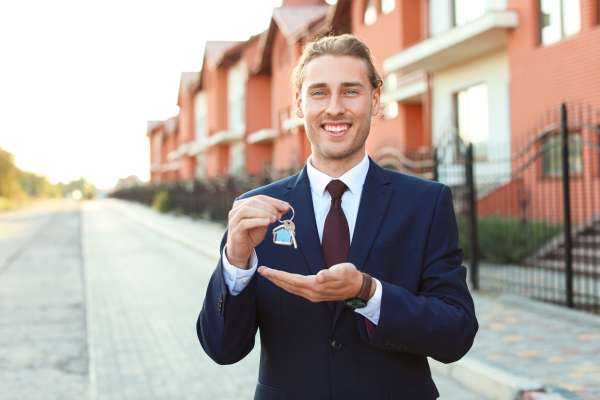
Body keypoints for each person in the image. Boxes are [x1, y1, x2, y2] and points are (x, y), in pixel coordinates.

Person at [197, 34, 478, 400]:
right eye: (319, 92)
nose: (334, 108)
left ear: (375, 100)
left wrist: (369, 293)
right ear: (299, 103)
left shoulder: (425, 203)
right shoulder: (254, 211)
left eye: (350, 91)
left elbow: (456, 333)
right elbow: (222, 350)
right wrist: (235, 263)